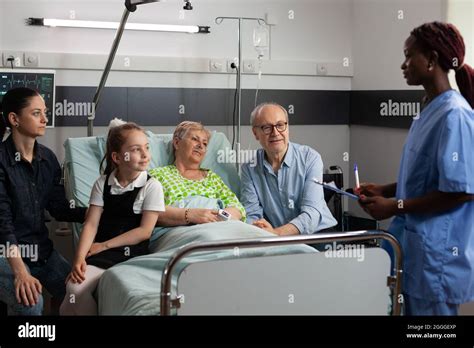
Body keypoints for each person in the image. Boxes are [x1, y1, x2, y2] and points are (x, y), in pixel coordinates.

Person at [356, 22, 474, 315]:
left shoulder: (454, 114)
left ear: (432, 60)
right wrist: (385, 190)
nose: (403, 64)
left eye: (409, 56)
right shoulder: (430, 110)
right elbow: (427, 177)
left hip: (437, 256)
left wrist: (393, 206)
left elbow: (460, 191)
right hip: (413, 247)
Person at [60, 122, 165, 315]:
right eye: (136, 149)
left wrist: (104, 245)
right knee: (73, 293)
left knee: (70, 302)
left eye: (147, 148)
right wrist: (79, 258)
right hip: (101, 253)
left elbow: (145, 231)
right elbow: (91, 224)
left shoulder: (152, 186)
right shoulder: (102, 183)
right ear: (117, 157)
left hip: (132, 253)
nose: (145, 154)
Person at [0, 87, 87, 315]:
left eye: (45, 112)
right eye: (36, 113)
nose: (45, 119)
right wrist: (20, 271)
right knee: (31, 302)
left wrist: (95, 211)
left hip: (40, 250)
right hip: (6, 253)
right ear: (14, 119)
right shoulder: (1, 160)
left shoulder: (47, 159)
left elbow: (59, 208)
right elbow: (3, 223)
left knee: (77, 292)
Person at [240, 102, 337, 236]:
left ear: (288, 127)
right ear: (255, 133)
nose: (275, 133)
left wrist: (277, 233)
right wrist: (263, 232)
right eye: (267, 127)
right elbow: (252, 214)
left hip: (317, 234)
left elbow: (312, 213)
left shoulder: (310, 158)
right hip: (272, 238)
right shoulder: (249, 168)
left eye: (280, 125)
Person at [149, 121, 246, 230]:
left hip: (218, 226)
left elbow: (237, 208)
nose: (200, 146)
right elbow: (150, 212)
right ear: (176, 143)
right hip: (182, 230)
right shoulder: (158, 175)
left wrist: (220, 217)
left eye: (204, 143)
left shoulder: (212, 177)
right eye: (195, 139)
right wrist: (190, 215)